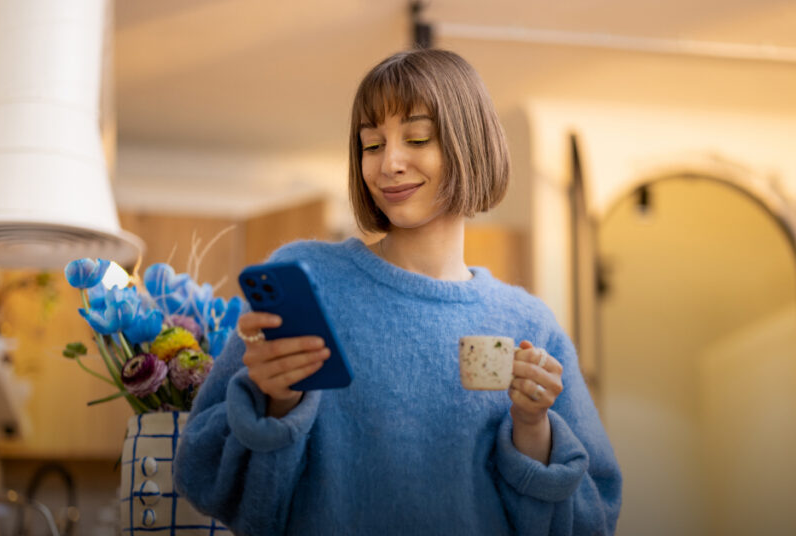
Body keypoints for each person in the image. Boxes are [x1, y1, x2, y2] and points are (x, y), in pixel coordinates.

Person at [174, 48, 622, 535]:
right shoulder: (308, 278)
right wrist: (275, 403)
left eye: (417, 138)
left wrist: (533, 428)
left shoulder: (529, 325)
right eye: (371, 145)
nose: (388, 164)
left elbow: (591, 521)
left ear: (470, 144)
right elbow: (206, 478)